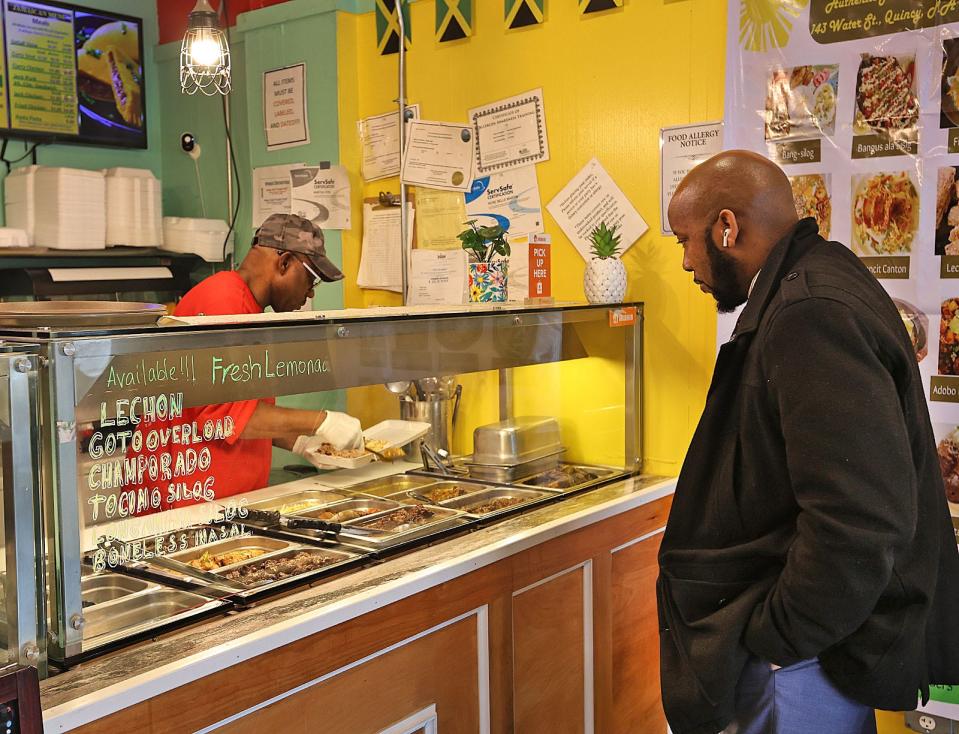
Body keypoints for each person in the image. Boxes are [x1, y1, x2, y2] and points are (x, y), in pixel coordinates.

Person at [659, 150, 959, 734]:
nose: (687, 261)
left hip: (803, 663)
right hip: (807, 649)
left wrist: (779, 640)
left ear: (728, 226)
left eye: (685, 241)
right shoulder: (818, 280)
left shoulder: (810, 311)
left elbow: (859, 520)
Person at [138, 213, 364, 509]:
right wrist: (320, 421)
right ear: (283, 263)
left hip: (222, 499)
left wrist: (297, 441)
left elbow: (243, 413)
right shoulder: (222, 302)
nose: (309, 292)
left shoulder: (246, 309)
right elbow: (222, 417)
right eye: (311, 279)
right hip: (186, 499)